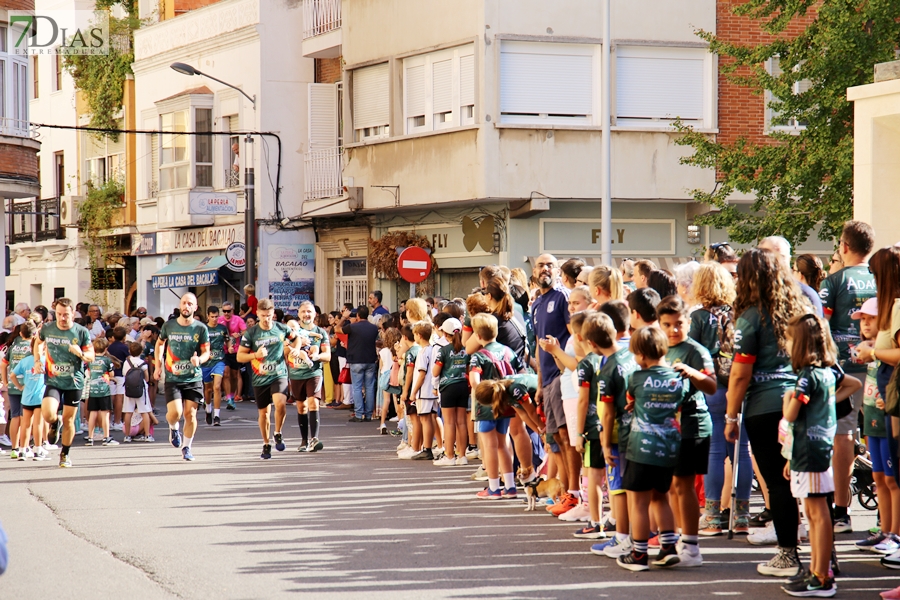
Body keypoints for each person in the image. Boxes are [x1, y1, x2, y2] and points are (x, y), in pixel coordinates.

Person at [724, 249, 811, 577]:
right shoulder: (798, 308)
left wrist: (731, 418)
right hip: (799, 402)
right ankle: (821, 558)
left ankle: (788, 555)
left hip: (764, 407)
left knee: (778, 483)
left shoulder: (750, 317)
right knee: (805, 483)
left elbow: (739, 373)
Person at [817, 220, 876, 533]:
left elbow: (821, 325)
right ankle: (886, 516)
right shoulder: (882, 277)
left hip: (845, 370)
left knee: (844, 435)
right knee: (883, 437)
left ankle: (841, 510)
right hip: (881, 364)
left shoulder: (834, 281)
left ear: (844, 247)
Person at [617, 326, 688, 572]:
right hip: (668, 448)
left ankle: (638, 554)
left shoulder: (636, 378)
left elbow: (629, 400)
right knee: (661, 496)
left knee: (637, 501)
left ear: (642, 355)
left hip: (641, 447)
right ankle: (668, 547)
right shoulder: (676, 377)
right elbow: (680, 400)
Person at [689, 262, 752, 536]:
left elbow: (690, 352)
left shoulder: (699, 317)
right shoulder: (740, 314)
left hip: (712, 385)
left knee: (714, 451)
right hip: (740, 381)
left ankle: (713, 516)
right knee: (743, 450)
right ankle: (741, 515)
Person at [780, 314, 839, 597]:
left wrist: (786, 399)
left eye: (790, 341)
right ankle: (818, 570)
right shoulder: (828, 372)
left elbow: (791, 414)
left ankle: (822, 575)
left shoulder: (806, 378)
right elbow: (849, 383)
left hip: (809, 449)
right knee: (814, 514)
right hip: (817, 449)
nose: (786, 346)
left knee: (816, 513)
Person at [657, 295, 717, 567]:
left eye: (678, 323)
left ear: (688, 322)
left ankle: (692, 546)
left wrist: (692, 372)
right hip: (666, 428)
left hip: (692, 424)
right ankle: (677, 539)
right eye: (667, 324)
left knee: (683, 485)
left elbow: (712, 386)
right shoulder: (659, 348)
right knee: (669, 487)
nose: (673, 330)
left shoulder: (696, 351)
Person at [855, 246, 900, 573]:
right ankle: (888, 531)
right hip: (882, 396)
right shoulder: (889, 307)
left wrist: (874, 354)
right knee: (883, 474)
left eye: (874, 273)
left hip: (893, 394)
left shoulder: (897, 307)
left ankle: (894, 535)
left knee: (894, 475)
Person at [592, 302, 640, 557]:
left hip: (616, 434)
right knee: (631, 486)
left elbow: (608, 411)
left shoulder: (607, 368)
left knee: (618, 488)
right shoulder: (630, 354)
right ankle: (634, 536)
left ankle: (623, 537)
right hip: (636, 429)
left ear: (590, 343)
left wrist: (603, 441)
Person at [531, 254, 578, 512]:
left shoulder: (562, 298)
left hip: (564, 378)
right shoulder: (537, 303)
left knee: (565, 436)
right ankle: (563, 492)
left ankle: (572, 494)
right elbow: (539, 348)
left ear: (558, 270)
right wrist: (539, 384)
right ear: (534, 270)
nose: (545, 269)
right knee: (555, 438)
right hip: (547, 379)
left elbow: (574, 336)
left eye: (550, 265)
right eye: (541, 265)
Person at [469, 313, 525, 499]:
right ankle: (509, 486)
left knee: (490, 445)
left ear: (477, 335)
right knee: (503, 443)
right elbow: (521, 372)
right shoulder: (509, 351)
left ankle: (494, 487)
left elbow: (475, 380)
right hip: (506, 403)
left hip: (486, 405)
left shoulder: (478, 357)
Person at [33, 298, 94, 468]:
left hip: (74, 381)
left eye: (66, 315)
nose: (62, 318)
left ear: (72, 314)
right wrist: (37, 360)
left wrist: (80, 353)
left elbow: (91, 356)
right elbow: (38, 343)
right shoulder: (47, 328)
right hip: (54, 379)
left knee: (69, 420)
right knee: (48, 413)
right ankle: (54, 423)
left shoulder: (81, 332)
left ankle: (65, 454)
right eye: (59, 314)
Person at [237, 298, 300, 460]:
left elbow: (296, 338)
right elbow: (240, 356)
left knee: (280, 404)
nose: (266, 319)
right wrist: (255, 355)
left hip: (279, 373)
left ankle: (278, 432)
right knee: (264, 413)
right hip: (260, 378)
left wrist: (296, 349)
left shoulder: (281, 328)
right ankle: (266, 443)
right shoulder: (251, 333)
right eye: (263, 315)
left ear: (273, 314)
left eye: (269, 315)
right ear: (257, 314)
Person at [573, 312, 616, 539]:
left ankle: (596, 522)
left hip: (592, 427)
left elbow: (582, 400)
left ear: (580, 337)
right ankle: (614, 520)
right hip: (610, 425)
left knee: (593, 476)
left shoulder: (586, 364)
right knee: (613, 477)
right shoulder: (609, 358)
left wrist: (579, 432)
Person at [155, 293, 210, 462]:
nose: (186, 306)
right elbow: (159, 344)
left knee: (190, 414)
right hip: (173, 376)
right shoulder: (169, 326)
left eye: (190, 304)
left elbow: (207, 352)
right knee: (175, 413)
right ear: (180, 306)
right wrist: (158, 366)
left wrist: (198, 360)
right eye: (184, 303)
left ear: (195, 307)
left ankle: (187, 447)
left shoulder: (201, 328)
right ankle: (173, 428)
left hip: (193, 377)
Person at [287, 301, 330, 453]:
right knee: (301, 406)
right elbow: (283, 351)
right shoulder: (292, 331)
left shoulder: (321, 333)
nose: (306, 314)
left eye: (309, 312)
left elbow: (328, 356)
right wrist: (294, 348)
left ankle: (314, 439)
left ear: (315, 314)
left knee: (313, 403)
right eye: (303, 311)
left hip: (314, 373)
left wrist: (317, 356)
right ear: (298, 314)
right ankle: (304, 441)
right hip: (296, 373)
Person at [432, 317, 469, 466]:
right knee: (461, 422)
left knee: (449, 422)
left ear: (445, 334)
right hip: (463, 386)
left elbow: (435, 372)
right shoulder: (466, 350)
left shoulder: (443, 350)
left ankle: (449, 456)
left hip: (448, 387)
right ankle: (463, 456)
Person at [758, 236, 823, 317]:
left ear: (789, 260)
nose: (776, 262)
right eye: (769, 257)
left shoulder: (806, 295)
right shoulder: (748, 294)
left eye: (781, 257)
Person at [336, 305, 380, 422]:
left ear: (358, 315)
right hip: (370, 359)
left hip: (356, 360)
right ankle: (369, 414)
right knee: (370, 387)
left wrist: (343, 318)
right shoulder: (374, 328)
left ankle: (359, 414)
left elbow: (337, 329)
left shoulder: (352, 327)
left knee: (357, 387)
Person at [10, 322, 47, 460]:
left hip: (26, 396)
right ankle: (37, 449)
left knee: (25, 424)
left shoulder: (25, 361)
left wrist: (20, 386)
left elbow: (12, 375)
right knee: (37, 424)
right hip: (39, 396)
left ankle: (22, 450)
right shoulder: (44, 360)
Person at [2, 324, 30, 460]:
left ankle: (14, 448)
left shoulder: (13, 347)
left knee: (15, 416)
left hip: (13, 384)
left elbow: (3, 364)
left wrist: (6, 381)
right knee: (26, 416)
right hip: (28, 385)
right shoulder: (32, 347)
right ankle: (24, 447)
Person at [85, 338, 117, 446]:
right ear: (106, 348)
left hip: (92, 389)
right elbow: (112, 374)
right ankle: (106, 437)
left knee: (92, 413)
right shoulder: (107, 360)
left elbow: (88, 373)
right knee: (105, 414)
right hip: (104, 390)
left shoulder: (90, 360)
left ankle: (90, 437)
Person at [202, 307, 228, 426]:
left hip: (219, 360)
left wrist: (230, 346)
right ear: (207, 316)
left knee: (217, 387)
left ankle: (217, 416)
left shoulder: (222, 328)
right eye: (212, 317)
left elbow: (227, 340)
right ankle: (208, 410)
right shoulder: (203, 329)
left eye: (216, 316)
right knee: (208, 389)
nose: (214, 319)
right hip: (206, 362)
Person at [122, 342, 153, 443]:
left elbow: (124, 374)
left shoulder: (126, 362)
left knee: (128, 411)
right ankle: (147, 435)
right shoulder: (143, 363)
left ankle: (127, 435)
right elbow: (147, 378)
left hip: (128, 388)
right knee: (144, 411)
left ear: (130, 351)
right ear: (141, 352)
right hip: (141, 388)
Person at [218, 301, 246, 406]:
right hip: (223, 351)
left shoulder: (238, 319)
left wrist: (238, 334)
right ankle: (229, 397)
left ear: (232, 310)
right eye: (224, 311)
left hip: (235, 350)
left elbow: (245, 330)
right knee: (226, 373)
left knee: (234, 376)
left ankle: (232, 395)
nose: (226, 313)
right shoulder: (220, 320)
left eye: (228, 311)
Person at [107, 327, 131, 435]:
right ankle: (117, 421)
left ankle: (109, 421)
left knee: (111, 397)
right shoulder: (124, 347)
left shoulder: (109, 347)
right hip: (121, 374)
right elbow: (128, 359)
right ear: (124, 337)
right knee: (119, 397)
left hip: (110, 374)